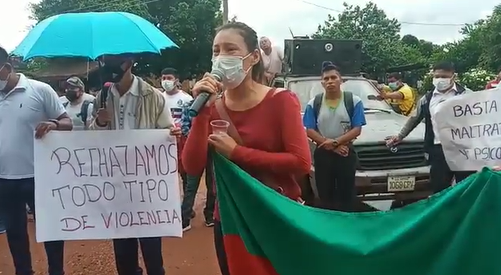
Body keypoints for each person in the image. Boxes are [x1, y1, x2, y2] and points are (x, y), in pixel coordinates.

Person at [182, 22, 311, 275]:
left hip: (274, 213)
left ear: (253, 57)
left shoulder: (281, 101)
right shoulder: (212, 106)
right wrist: (202, 114)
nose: (221, 58)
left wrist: (236, 153)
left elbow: (301, 162)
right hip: (230, 219)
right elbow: (191, 166)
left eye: (230, 50)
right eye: (216, 51)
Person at [89, 54, 180, 275]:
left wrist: (170, 134)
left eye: (114, 61)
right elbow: (90, 141)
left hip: (146, 186)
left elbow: (166, 133)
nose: (109, 66)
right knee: (123, 252)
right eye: (105, 61)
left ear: (128, 63)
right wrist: (100, 122)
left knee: (152, 251)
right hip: (115, 185)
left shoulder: (153, 96)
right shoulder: (101, 97)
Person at [0, 46, 73, 275]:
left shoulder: (39, 90)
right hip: (4, 177)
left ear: (7, 68)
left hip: (40, 176)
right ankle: (24, 271)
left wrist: (53, 124)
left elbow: (67, 122)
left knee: (50, 229)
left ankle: (56, 271)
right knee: (14, 232)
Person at [386, 61, 476, 194]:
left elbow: (481, 118)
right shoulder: (427, 98)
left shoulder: (468, 95)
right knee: (439, 190)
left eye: (444, 76)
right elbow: (414, 118)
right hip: (438, 150)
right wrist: (400, 136)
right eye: (437, 76)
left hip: (463, 150)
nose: (440, 80)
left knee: (466, 189)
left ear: (453, 76)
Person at [302, 61, 366, 211]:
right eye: (326, 79)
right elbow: (309, 130)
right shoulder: (314, 103)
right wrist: (331, 146)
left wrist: (336, 143)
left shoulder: (353, 101)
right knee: (325, 195)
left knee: (347, 195)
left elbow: (357, 129)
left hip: (346, 153)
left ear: (341, 80)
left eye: (333, 77)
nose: (330, 81)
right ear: (322, 83)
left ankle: (346, 225)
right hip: (323, 155)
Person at [179, 100, 216, 231]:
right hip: (196, 148)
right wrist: (196, 138)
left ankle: (210, 215)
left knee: (212, 185)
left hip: (213, 150)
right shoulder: (189, 105)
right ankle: (185, 218)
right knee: (191, 185)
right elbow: (184, 127)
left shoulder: (220, 104)